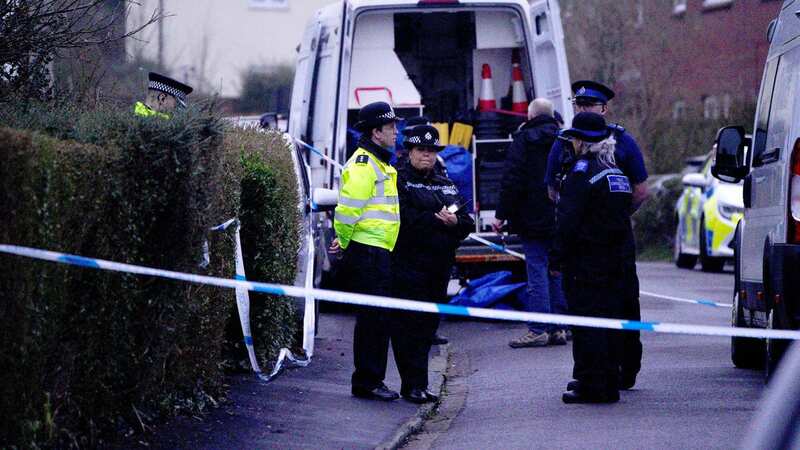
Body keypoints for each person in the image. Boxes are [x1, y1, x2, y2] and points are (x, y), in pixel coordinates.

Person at [545, 80, 647, 389]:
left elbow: (641, 191)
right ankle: (592, 373)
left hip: (607, 243)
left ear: (604, 109)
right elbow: (552, 189)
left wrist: (606, 218)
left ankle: (622, 371)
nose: (585, 110)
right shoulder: (562, 142)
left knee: (623, 305)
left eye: (591, 106)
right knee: (595, 310)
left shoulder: (623, 141)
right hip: (599, 241)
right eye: (580, 105)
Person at [550, 112, 632, 404]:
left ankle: (592, 386)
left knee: (588, 325)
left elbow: (568, 220)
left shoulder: (581, 173)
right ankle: (607, 380)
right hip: (614, 260)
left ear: (582, 142)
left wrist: (556, 258)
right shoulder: (616, 173)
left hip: (585, 262)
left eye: (572, 139)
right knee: (609, 323)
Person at [392, 125, 474, 403]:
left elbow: (465, 219)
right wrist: (435, 219)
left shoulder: (445, 182)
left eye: (431, 151)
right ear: (409, 152)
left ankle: (421, 384)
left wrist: (454, 222)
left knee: (428, 328)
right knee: (409, 328)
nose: (427, 156)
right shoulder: (398, 180)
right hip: (408, 264)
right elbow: (404, 218)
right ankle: (411, 385)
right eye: (421, 150)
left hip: (439, 267)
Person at [331, 101, 402, 401]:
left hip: (376, 251)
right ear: (376, 132)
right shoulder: (364, 164)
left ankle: (371, 380)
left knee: (377, 319)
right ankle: (368, 382)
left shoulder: (379, 162)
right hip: (368, 251)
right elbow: (347, 210)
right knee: (373, 320)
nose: (397, 132)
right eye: (391, 128)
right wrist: (343, 241)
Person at [493, 98, 568, 348]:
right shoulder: (565, 140)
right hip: (560, 216)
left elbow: (511, 180)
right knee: (556, 270)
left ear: (529, 115)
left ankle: (538, 329)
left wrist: (501, 214)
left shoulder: (523, 140)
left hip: (531, 216)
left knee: (536, 270)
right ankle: (559, 327)